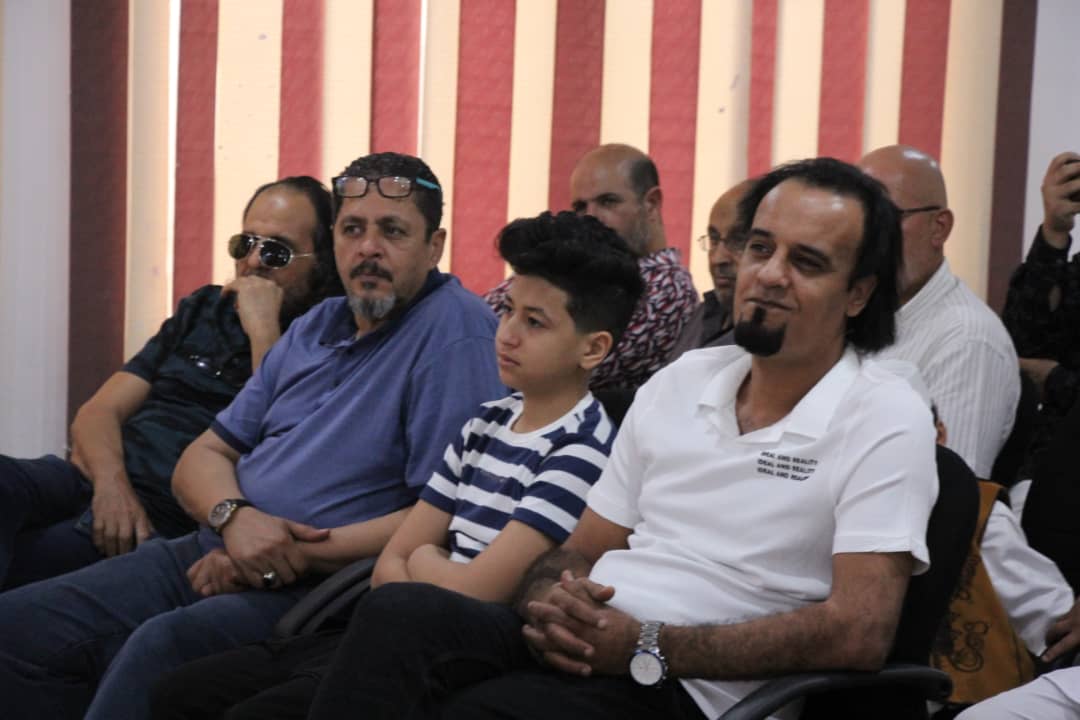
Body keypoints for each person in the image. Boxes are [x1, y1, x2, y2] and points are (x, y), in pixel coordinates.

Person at [297, 157, 939, 720]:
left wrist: (648, 644)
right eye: (760, 247)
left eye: (806, 262)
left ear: (858, 294)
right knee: (396, 617)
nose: (769, 274)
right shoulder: (683, 380)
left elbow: (859, 631)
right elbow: (580, 550)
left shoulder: (883, 413)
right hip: (591, 643)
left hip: (693, 687)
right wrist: (553, 600)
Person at [0, 152, 506, 720]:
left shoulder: (454, 331)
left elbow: (442, 512)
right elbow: (202, 455)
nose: (368, 248)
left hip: (313, 586)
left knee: (159, 648)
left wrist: (281, 552)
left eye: (392, 231)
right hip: (209, 545)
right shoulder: (317, 324)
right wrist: (235, 520)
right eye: (352, 229)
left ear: (434, 246)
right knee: (16, 629)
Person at [148, 209, 646, 720]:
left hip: (474, 646)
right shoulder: (488, 420)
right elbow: (390, 563)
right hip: (404, 621)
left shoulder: (580, 449)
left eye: (534, 322)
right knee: (182, 692)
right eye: (508, 310)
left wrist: (424, 559)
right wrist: (427, 562)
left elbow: (481, 591)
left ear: (593, 348)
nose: (507, 333)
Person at [0, 176, 341, 589]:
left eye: (276, 251)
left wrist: (263, 329)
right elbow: (99, 412)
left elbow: (284, 441)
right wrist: (111, 486)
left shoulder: (328, 339)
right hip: (101, 480)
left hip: (161, 515)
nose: (253, 262)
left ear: (323, 262)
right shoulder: (205, 307)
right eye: (244, 244)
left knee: (27, 569)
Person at [859, 145, 1020, 480]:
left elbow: (950, 491)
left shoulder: (967, 340)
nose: (867, 238)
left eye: (885, 219)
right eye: (860, 219)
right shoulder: (851, 311)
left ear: (939, 228)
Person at [485, 143, 697, 391]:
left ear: (651, 203)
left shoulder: (668, 288)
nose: (590, 216)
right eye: (580, 207)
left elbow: (548, 366)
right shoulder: (572, 264)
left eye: (608, 202)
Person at [667, 179, 754, 362]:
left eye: (738, 240)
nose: (717, 258)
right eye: (714, 239)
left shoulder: (769, 337)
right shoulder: (704, 313)